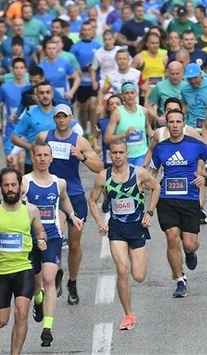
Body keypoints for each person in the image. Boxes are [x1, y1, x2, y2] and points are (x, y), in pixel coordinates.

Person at [35, 104, 103, 306]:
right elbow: (34, 155)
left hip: (74, 194)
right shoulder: (44, 137)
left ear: (71, 117)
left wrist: (81, 156)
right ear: (54, 119)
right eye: (58, 117)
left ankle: (72, 282)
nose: (62, 120)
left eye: (65, 116)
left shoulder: (79, 141)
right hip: (51, 195)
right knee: (56, 233)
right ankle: (56, 269)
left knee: (74, 244)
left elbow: (99, 167)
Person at [0, 168, 47, 355]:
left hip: (24, 268)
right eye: (6, 185)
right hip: (1, 271)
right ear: (1, 187)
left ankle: (15, 353)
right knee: (1, 321)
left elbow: (40, 231)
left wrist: (41, 239)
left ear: (20, 185)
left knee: (21, 313)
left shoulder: (31, 210)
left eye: (13, 184)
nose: (10, 188)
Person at [89, 140, 160, 330]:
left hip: (137, 227)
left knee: (138, 276)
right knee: (122, 270)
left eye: (121, 152)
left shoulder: (139, 173)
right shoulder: (103, 177)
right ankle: (128, 315)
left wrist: (150, 212)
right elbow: (92, 200)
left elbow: (156, 188)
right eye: (114, 153)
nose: (118, 156)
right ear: (110, 155)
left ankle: (142, 255)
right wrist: (99, 221)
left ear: (127, 154)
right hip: (117, 228)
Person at [21, 143, 83, 346]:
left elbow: (64, 199)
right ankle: (37, 301)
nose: (42, 159)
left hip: (52, 237)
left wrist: (72, 215)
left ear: (51, 158)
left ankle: (47, 329)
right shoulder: (25, 182)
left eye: (46, 155)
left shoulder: (59, 183)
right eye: (38, 155)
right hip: (28, 240)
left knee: (49, 279)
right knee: (35, 284)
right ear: (33, 156)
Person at [148, 108, 207, 298]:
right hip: (167, 198)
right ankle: (179, 279)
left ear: (184, 124)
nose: (175, 125)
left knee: (190, 244)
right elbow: (152, 173)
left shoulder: (197, 145)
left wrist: (203, 177)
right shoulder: (161, 148)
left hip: (190, 197)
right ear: (167, 124)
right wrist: (145, 184)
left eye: (178, 122)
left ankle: (190, 253)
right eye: (171, 122)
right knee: (171, 236)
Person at [105, 82, 153, 167]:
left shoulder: (143, 110)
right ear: (122, 96)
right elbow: (107, 138)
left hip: (142, 154)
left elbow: (147, 127)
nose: (130, 96)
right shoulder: (117, 113)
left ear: (136, 93)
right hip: (124, 156)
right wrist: (124, 135)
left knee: (138, 178)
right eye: (126, 93)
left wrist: (155, 137)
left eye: (132, 93)